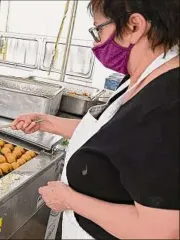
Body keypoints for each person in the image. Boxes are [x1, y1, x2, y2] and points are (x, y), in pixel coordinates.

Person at [11, 0, 179, 239]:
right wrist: (46, 122)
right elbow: (113, 135)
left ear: (134, 26)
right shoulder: (143, 76)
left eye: (98, 29)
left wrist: (69, 200)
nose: (96, 41)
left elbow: (162, 231)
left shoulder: (166, 108)